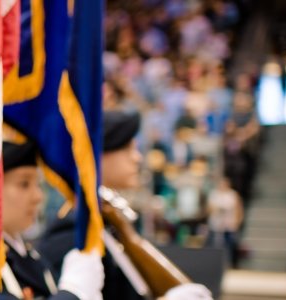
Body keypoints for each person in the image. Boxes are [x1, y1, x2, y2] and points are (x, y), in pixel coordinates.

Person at [39, 110, 212, 300]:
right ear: (98, 156)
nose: (137, 158)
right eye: (128, 149)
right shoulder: (73, 230)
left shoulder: (109, 221)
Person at [0, 141, 104, 300]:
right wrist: (74, 292)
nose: (38, 197)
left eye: (38, 184)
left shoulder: (29, 255)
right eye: (24, 184)